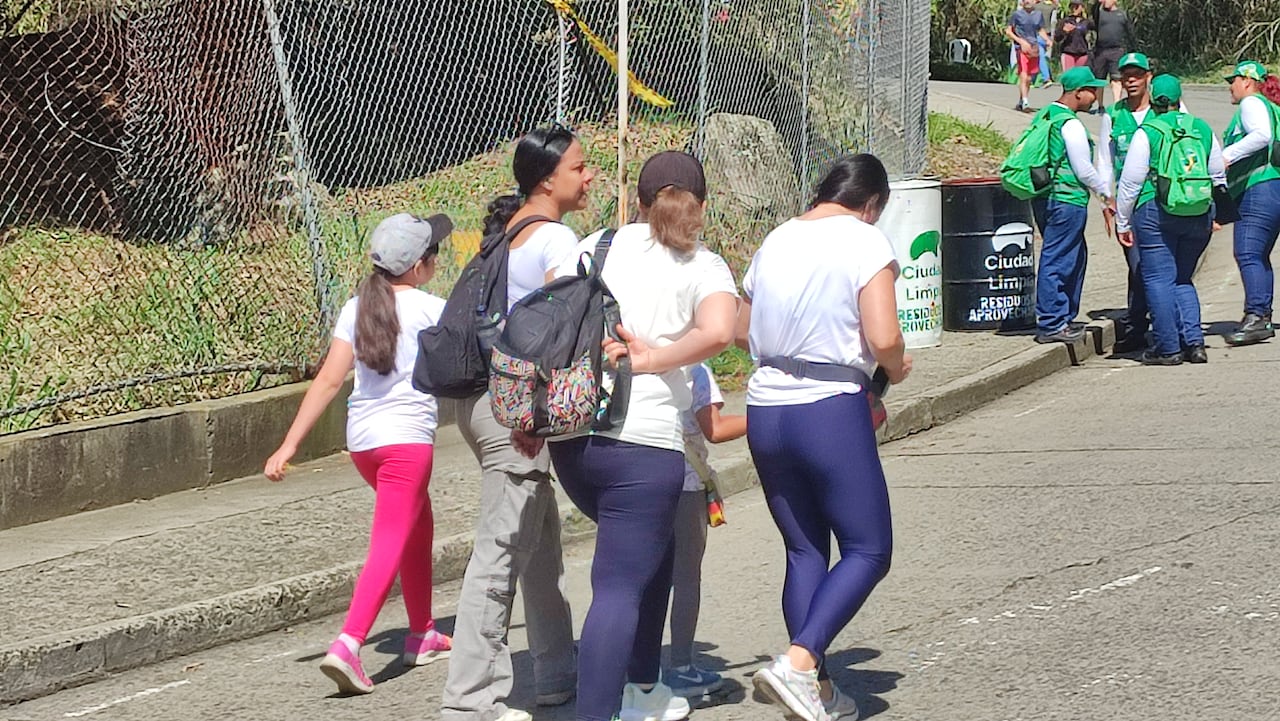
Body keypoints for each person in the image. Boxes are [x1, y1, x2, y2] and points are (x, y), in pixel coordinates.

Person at [537, 151, 738, 721]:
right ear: (701, 205)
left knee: (658, 549)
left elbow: (552, 317)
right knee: (620, 586)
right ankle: (602, 710)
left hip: (574, 438)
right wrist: (655, 360)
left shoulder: (595, 245)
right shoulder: (703, 264)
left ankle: (644, 688)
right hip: (644, 448)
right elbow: (720, 330)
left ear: (638, 203)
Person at [736, 153, 910, 721]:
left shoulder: (777, 237)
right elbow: (883, 334)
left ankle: (817, 688)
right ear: (872, 204)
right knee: (868, 548)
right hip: (828, 403)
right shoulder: (864, 241)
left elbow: (745, 329)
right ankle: (801, 661)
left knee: (804, 547)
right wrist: (897, 364)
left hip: (765, 403)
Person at [264, 213, 454, 694]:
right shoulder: (433, 309)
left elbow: (329, 381)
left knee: (418, 521)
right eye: (433, 252)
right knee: (389, 541)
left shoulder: (355, 308)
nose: (438, 258)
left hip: (364, 444)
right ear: (418, 267)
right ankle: (349, 643)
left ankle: (422, 632)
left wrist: (288, 445)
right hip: (407, 444)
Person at [440, 124, 593, 721]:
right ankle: (470, 700)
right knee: (500, 550)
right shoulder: (556, 240)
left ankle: (556, 673)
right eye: (580, 167)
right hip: (516, 413)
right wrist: (541, 416)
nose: (590, 176)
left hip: (483, 405)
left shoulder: (508, 234)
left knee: (539, 541)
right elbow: (565, 330)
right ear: (547, 179)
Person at [1115, 75, 1227, 365]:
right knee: (1181, 278)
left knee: (1157, 279)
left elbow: (1130, 182)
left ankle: (1167, 347)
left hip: (1156, 210)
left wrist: (1122, 222)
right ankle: (1195, 343)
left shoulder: (1148, 130)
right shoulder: (1201, 128)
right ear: (1180, 99)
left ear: (1153, 99)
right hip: (1198, 211)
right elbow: (1217, 174)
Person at [661, 362, 747, 699]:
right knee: (685, 578)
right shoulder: (694, 368)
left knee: (636, 579)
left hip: (633, 478)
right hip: (684, 481)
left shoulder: (626, 361)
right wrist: (762, 417)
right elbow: (715, 429)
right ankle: (681, 666)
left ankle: (636, 667)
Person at [1018, 66, 1114, 344]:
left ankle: (1063, 317)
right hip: (1066, 200)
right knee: (1059, 259)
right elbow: (1083, 168)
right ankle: (1052, 323)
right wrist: (1105, 195)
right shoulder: (1070, 123)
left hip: (1045, 197)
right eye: (1092, 90)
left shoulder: (1045, 115)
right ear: (1078, 93)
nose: (1096, 96)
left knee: (1071, 255)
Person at [1095, 52, 1155, 353]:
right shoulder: (1113, 116)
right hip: (1127, 204)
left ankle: (1161, 323)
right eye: (1126, 75)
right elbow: (1104, 162)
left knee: (1155, 266)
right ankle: (1136, 327)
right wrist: (1107, 200)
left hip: (1162, 201)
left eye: (1137, 74)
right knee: (1137, 265)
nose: (1131, 80)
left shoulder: (1166, 111)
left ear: (1148, 78)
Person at [1221, 61, 1280, 346]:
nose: (1229, 87)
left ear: (1247, 81)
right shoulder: (1273, 108)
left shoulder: (1252, 104)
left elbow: (1262, 136)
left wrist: (1227, 155)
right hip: (1273, 187)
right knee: (1259, 255)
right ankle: (1262, 314)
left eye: (1233, 81)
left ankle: (1256, 316)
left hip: (1259, 188)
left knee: (1247, 252)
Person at [1006, 0, 1053, 112]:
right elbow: (1008, 31)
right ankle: (1026, 102)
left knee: (1029, 78)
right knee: (1024, 75)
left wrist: (1047, 39)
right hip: (1021, 48)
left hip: (1034, 48)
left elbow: (1040, 29)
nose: (1027, 1)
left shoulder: (1038, 14)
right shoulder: (1017, 14)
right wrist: (1020, 41)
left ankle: (1021, 100)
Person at [1090, 0, 1137, 108]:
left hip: (1117, 50)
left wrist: (1133, 49)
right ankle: (1100, 105)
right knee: (1099, 79)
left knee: (1116, 78)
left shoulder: (1122, 14)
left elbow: (1130, 32)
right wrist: (1098, 2)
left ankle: (1116, 105)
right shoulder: (1099, 13)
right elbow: (1094, 10)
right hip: (1101, 50)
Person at [1055, 0, 1092, 72]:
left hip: (1082, 53)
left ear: (1082, 8)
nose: (1075, 8)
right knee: (1069, 76)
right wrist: (1064, 31)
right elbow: (1057, 38)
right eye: (1073, 6)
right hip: (1068, 52)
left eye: (1077, 6)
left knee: (1080, 78)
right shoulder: (1065, 21)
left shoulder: (1086, 22)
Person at [1032, 0, 1058, 86]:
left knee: (1039, 56)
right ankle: (1032, 79)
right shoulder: (1052, 6)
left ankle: (1046, 78)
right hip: (1048, 34)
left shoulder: (1036, 6)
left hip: (1038, 34)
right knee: (1038, 56)